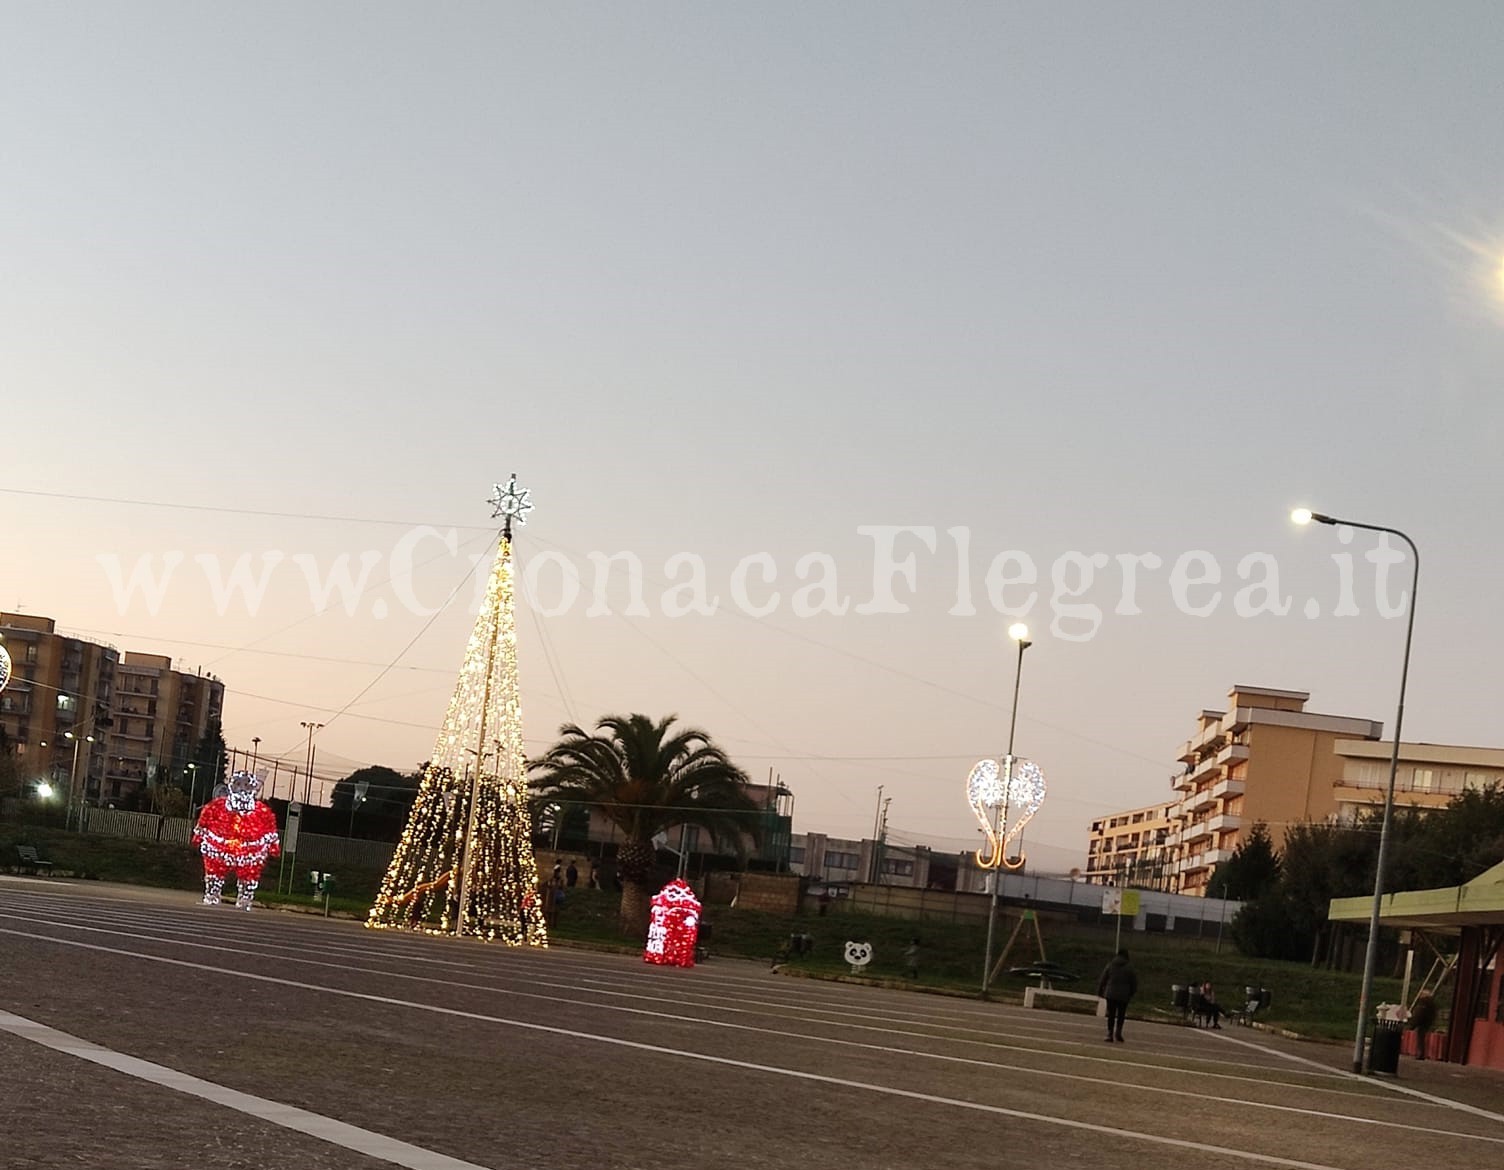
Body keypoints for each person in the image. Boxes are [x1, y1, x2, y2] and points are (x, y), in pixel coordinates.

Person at [1096, 949, 1138, 1043]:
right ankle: (1118, 1032)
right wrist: (1131, 993)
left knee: (1111, 1014)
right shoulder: (1130, 967)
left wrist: (1100, 991)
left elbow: (1103, 979)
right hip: (1124, 995)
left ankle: (1109, 1033)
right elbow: (1134, 983)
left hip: (1110, 993)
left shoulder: (1110, 965)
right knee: (1121, 1015)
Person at [1409, 991, 1438, 1060]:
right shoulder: (1431, 1004)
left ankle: (1420, 1054)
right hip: (1427, 1022)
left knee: (1420, 1038)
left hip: (1422, 1023)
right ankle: (1421, 1053)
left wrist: (1413, 1024)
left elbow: (1419, 1014)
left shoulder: (1423, 1003)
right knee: (1421, 1038)